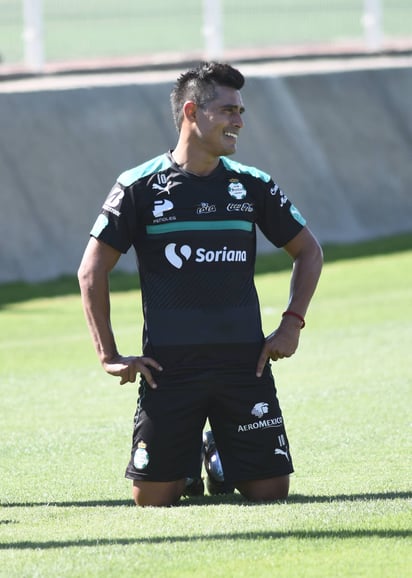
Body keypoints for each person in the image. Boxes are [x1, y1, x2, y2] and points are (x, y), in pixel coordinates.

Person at [78, 61, 323, 507]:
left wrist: (291, 324)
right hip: (170, 371)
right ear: (192, 111)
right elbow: (91, 270)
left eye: (241, 111)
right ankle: (188, 456)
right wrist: (108, 354)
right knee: (152, 500)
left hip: (243, 365)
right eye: (229, 110)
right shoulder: (139, 187)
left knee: (270, 494)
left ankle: (216, 454)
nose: (239, 122)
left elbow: (309, 251)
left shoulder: (252, 185)